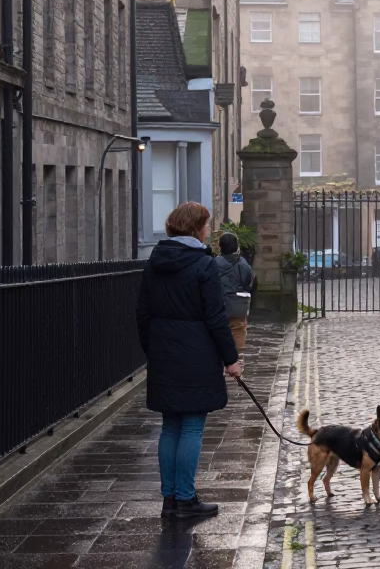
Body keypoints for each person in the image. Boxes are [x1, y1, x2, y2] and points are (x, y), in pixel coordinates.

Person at [136, 202, 243, 520]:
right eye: (206, 226)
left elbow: (142, 312)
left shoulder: (154, 262)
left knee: (170, 427)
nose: (209, 231)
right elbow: (215, 316)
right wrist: (231, 360)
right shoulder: (203, 264)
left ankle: (170, 499)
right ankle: (186, 498)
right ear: (196, 228)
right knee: (192, 427)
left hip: (164, 355)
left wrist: (153, 349)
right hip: (196, 356)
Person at [214, 232, 254, 355]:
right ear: (237, 247)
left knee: (218, 335)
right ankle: (237, 363)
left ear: (220, 247)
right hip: (238, 306)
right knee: (238, 333)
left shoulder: (213, 264)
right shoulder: (243, 264)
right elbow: (248, 282)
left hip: (219, 307)